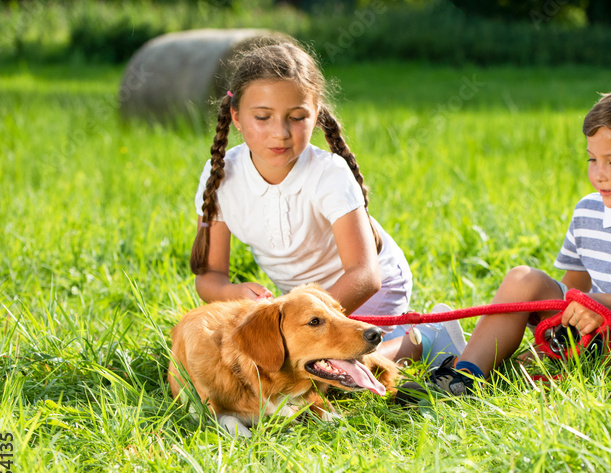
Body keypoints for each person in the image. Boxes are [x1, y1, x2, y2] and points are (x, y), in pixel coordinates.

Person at [398, 84, 611, 401]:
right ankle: (464, 377)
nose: (598, 173)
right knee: (522, 277)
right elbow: (573, 287)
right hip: (597, 336)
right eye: (592, 159)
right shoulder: (588, 210)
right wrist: (564, 327)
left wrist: (602, 302)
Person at [189, 38, 462, 364]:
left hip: (366, 291)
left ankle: (421, 341)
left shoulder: (327, 174)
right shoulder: (221, 174)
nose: (281, 133)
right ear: (235, 117)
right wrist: (234, 293)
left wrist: (314, 322)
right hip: (304, 307)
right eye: (262, 117)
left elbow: (365, 275)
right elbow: (210, 277)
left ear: (316, 115)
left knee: (323, 371)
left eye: (297, 117)